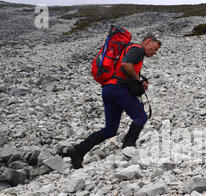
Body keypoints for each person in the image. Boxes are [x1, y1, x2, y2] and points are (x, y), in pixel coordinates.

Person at [65, 34, 161, 169]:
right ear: (147, 42)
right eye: (154, 48)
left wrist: (138, 80)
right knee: (140, 116)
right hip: (118, 89)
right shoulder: (138, 49)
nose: (154, 52)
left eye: (156, 51)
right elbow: (126, 64)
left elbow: (124, 68)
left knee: (110, 130)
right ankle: (129, 146)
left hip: (108, 89)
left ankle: (77, 151)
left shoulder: (128, 49)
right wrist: (138, 81)